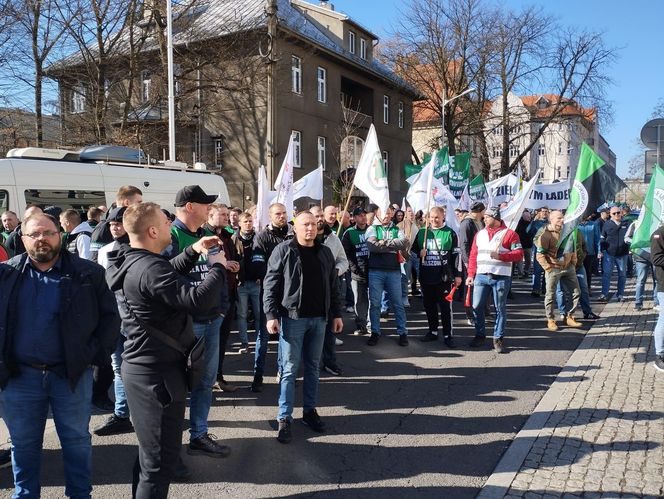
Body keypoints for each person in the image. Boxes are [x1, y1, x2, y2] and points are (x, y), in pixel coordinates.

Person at [105, 202, 228, 498]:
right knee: (159, 464)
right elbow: (198, 300)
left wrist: (192, 250)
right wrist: (218, 266)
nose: (169, 224)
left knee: (149, 457)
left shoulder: (135, 261)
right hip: (157, 377)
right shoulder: (149, 267)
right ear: (152, 231)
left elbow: (163, 278)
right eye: (164, 221)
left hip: (145, 371)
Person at [0, 213, 119, 498]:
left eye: (48, 233)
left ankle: (80, 494)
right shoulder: (7, 274)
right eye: (34, 234)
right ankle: (25, 495)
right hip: (19, 378)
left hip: (71, 375)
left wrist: (93, 356)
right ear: (23, 239)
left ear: (60, 235)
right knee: (23, 444)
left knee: (76, 441)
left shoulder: (87, 273)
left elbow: (110, 318)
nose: (42, 239)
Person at [263, 212, 343, 444]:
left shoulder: (325, 252)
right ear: (295, 228)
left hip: (319, 319)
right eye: (304, 225)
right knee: (289, 370)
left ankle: (309, 412)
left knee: (313, 369)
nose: (310, 228)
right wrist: (271, 315)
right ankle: (284, 418)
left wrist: (336, 313)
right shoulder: (284, 250)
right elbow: (271, 283)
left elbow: (333, 285)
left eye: (313, 225)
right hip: (292, 318)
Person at [165, 185, 232, 458]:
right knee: (178, 386)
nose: (210, 209)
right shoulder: (170, 236)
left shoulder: (208, 234)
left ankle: (199, 435)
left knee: (205, 382)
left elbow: (221, 270)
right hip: (185, 325)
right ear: (190, 206)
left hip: (213, 320)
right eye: (205, 204)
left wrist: (222, 309)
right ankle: (171, 445)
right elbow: (162, 277)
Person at [93, 206, 136, 437]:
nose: (114, 227)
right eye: (111, 224)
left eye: (118, 223)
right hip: (115, 319)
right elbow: (103, 285)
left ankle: (151, 412)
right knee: (118, 368)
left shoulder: (142, 248)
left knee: (144, 370)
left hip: (138, 321)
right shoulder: (106, 250)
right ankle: (121, 415)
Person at [466, 207, 523, 353]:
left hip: (501, 276)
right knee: (477, 306)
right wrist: (470, 275)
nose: (484, 219)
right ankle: (480, 334)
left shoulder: (510, 234)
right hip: (481, 276)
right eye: (484, 217)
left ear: (496, 217)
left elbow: (519, 254)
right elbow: (473, 255)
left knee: (499, 308)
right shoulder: (480, 234)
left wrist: (502, 256)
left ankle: (498, 338)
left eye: (487, 217)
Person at [252, 203, 294, 392]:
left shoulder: (293, 234)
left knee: (285, 337)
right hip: (269, 293)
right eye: (278, 214)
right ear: (270, 216)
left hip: (290, 295)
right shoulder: (261, 237)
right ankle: (258, 374)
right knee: (264, 336)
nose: (282, 216)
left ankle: (282, 371)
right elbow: (258, 265)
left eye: (284, 213)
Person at [203, 204, 241, 392]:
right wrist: (225, 265)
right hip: (212, 297)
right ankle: (206, 380)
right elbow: (206, 264)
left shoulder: (227, 236)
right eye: (223, 214)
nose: (227, 217)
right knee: (210, 342)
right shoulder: (203, 236)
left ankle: (218, 377)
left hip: (229, 295)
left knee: (222, 339)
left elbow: (234, 258)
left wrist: (236, 266)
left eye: (227, 214)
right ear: (210, 215)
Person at [412, 206, 461, 346]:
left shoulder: (450, 233)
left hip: (443, 278)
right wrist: (419, 253)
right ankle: (432, 331)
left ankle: (448, 335)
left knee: (445, 308)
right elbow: (413, 250)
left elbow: (457, 256)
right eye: (432, 217)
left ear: (443, 217)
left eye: (437, 217)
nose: (434, 220)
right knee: (429, 306)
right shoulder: (423, 232)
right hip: (426, 277)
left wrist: (458, 275)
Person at [310, 206, 348, 376]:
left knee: (329, 331)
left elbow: (343, 260)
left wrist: (337, 270)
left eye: (320, 216)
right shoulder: (303, 237)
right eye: (315, 216)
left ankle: (330, 362)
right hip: (309, 293)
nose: (319, 219)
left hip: (330, 290)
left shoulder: (333, 238)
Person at [365, 206, 410, 346]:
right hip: (375, 271)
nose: (386, 215)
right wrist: (392, 245)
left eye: (388, 213)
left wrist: (383, 243)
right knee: (375, 304)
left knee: (398, 304)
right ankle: (375, 332)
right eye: (383, 212)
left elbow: (404, 243)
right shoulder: (372, 228)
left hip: (394, 271)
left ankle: (402, 333)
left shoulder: (396, 229)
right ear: (377, 214)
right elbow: (372, 246)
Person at [535, 210, 583, 331]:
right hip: (553, 268)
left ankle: (570, 316)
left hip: (568, 267)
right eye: (559, 218)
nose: (562, 220)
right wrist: (548, 268)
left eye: (563, 218)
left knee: (576, 292)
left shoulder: (568, 232)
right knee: (550, 295)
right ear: (551, 219)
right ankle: (551, 319)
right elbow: (540, 255)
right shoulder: (545, 235)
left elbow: (572, 249)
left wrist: (573, 262)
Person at [233, 212, 262, 355]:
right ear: (239, 223)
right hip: (241, 284)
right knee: (242, 315)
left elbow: (264, 257)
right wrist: (236, 278)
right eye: (245, 221)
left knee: (258, 314)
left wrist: (261, 275)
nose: (248, 224)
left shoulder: (259, 237)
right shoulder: (234, 239)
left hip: (256, 282)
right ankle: (245, 343)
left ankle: (259, 342)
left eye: (250, 221)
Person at [89, 185, 143, 262]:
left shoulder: (135, 222)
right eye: (139, 202)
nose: (141, 206)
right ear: (127, 202)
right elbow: (95, 261)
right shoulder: (102, 228)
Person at [556, 228, 600, 321]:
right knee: (561, 290)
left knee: (583, 288)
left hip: (578, 265)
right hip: (561, 266)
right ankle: (563, 313)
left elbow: (583, 245)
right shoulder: (556, 232)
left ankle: (587, 312)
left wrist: (582, 256)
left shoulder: (577, 231)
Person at [342, 207, 371, 335]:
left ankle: (372, 325)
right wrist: (354, 268)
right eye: (359, 215)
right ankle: (361, 325)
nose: (363, 217)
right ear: (354, 218)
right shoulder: (349, 233)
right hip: (357, 272)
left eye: (364, 215)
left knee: (373, 300)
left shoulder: (373, 230)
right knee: (359, 300)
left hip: (373, 271)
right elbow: (345, 253)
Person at [458, 202, 485, 325]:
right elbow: (464, 244)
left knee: (479, 288)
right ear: (480, 211)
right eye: (484, 210)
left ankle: (480, 313)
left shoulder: (481, 222)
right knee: (470, 288)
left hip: (481, 260)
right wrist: (467, 262)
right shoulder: (467, 223)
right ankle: (470, 315)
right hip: (471, 261)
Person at [599, 205, 630, 301]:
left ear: (621, 213)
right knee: (607, 274)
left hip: (623, 254)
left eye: (618, 212)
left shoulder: (627, 223)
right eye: (614, 213)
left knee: (622, 274)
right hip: (609, 254)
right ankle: (604, 294)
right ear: (610, 215)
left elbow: (632, 236)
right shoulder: (607, 224)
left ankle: (620, 295)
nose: (617, 214)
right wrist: (601, 250)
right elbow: (602, 238)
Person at [625, 221, 658, 311]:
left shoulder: (657, 221)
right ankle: (638, 303)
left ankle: (657, 302)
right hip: (641, 256)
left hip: (655, 256)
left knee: (657, 280)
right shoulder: (636, 223)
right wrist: (636, 242)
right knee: (640, 280)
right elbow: (626, 238)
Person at [649, 225, 664, 371]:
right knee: (663, 320)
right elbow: (656, 258)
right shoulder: (659, 234)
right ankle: (659, 355)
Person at [527, 206, 549, 297]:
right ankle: (536, 289)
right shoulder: (536, 223)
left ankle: (545, 288)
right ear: (539, 212)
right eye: (543, 211)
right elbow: (527, 231)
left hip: (548, 249)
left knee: (547, 270)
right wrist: (532, 221)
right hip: (538, 249)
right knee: (537, 270)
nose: (544, 213)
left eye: (546, 211)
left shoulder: (550, 223)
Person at [578, 214, 601, 291]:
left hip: (590, 252)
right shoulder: (575, 224)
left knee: (588, 271)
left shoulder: (593, 224)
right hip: (577, 253)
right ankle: (577, 289)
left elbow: (597, 239)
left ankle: (588, 288)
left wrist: (598, 251)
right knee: (576, 271)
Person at [515, 210, 533, 278]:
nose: (529, 217)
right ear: (523, 217)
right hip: (520, 244)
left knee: (528, 260)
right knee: (519, 260)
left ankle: (526, 271)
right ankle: (520, 273)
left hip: (528, 244)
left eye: (529, 216)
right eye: (527, 216)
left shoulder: (531, 223)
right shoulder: (518, 223)